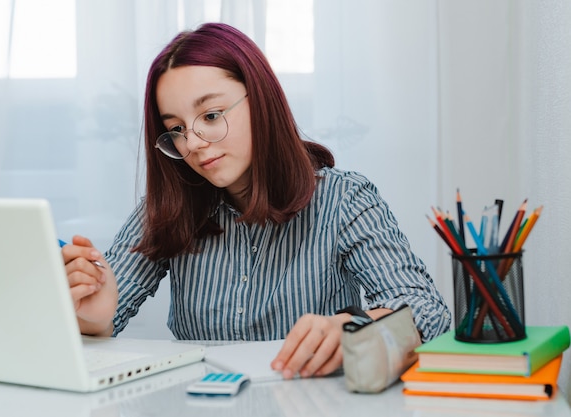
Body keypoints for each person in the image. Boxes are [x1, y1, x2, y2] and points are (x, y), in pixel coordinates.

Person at [61, 22, 451, 380]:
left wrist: (353, 326)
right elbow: (104, 317)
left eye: (211, 115)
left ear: (260, 99)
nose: (193, 143)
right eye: (176, 129)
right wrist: (94, 318)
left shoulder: (343, 199)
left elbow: (428, 312)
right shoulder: (168, 206)